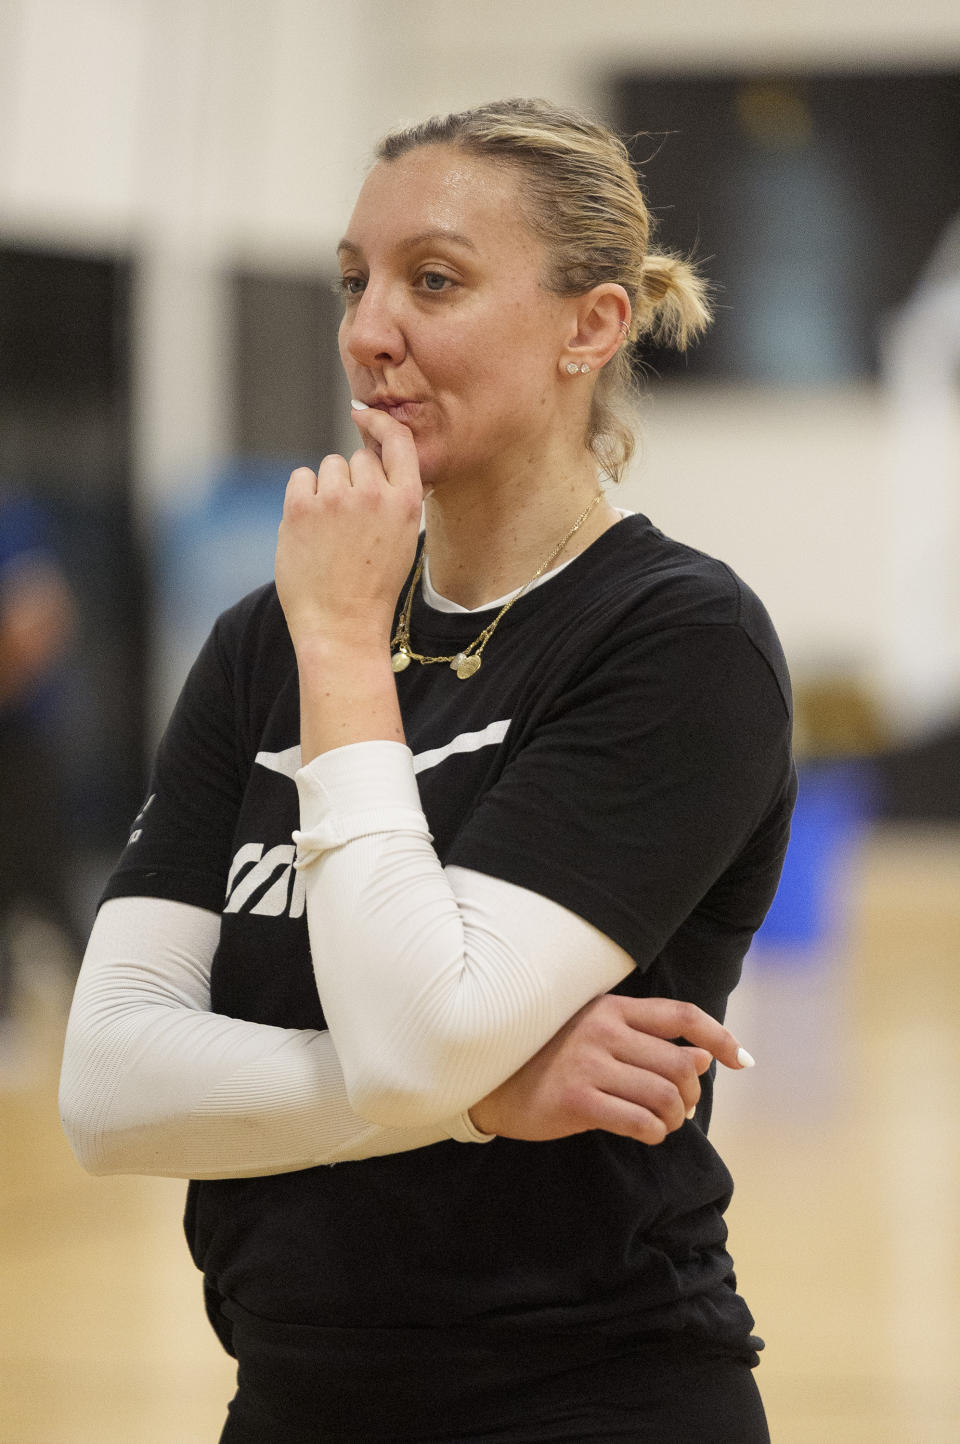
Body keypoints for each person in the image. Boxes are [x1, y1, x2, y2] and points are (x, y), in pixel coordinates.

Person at [59, 99, 796, 1442]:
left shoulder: (679, 639)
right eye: (355, 282)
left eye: (434, 281)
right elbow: (109, 1089)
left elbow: (413, 1049)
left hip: (589, 1399)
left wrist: (343, 645)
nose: (367, 331)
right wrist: (480, 1101)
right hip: (292, 1396)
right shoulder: (256, 642)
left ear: (593, 327)